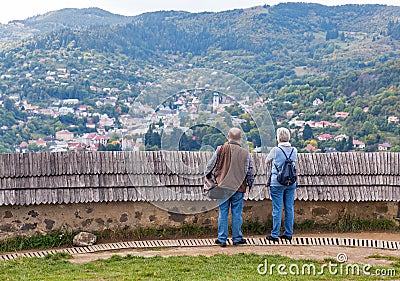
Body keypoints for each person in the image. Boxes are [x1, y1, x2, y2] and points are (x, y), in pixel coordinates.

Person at [204, 127, 254, 247]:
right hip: (239, 187)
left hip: (222, 186)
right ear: (240, 138)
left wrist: (210, 178)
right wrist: (250, 185)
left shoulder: (220, 149)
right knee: (237, 213)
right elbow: (249, 171)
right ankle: (237, 238)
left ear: (228, 136)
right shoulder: (245, 153)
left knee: (223, 212)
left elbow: (209, 166)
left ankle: (222, 238)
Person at [265, 127, 297, 242]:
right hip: (291, 182)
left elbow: (267, 161)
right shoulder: (294, 150)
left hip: (277, 182)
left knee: (277, 209)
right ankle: (288, 233)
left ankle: (274, 234)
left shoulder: (275, 150)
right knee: (289, 208)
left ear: (278, 138)